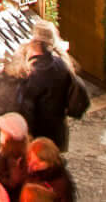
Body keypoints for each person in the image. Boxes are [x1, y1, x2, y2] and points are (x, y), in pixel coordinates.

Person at [15, 24, 89, 152]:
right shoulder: (62, 64)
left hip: (40, 138)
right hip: (58, 131)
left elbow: (26, 110)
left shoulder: (34, 74)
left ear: (35, 44)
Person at [0, 111, 32, 195]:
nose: (1, 133)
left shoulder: (12, 155)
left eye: (4, 131)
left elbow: (13, 182)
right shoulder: (9, 148)